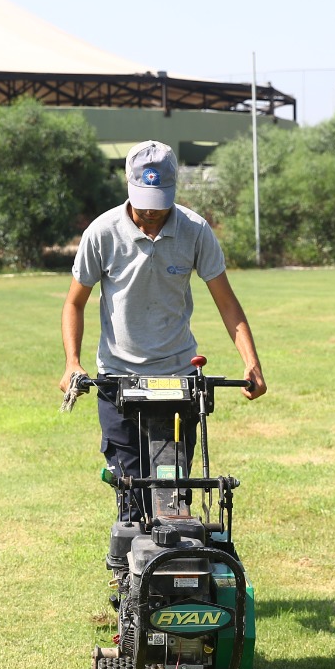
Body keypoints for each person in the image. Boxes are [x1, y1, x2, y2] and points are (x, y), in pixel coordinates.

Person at [59, 140, 266, 516]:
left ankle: (174, 567)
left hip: (178, 381)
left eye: (160, 201)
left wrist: (251, 363)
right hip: (118, 380)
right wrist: (72, 362)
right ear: (129, 185)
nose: (152, 212)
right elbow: (75, 302)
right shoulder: (102, 232)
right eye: (144, 200)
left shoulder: (195, 231)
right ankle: (129, 568)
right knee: (132, 494)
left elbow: (227, 302)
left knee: (172, 495)